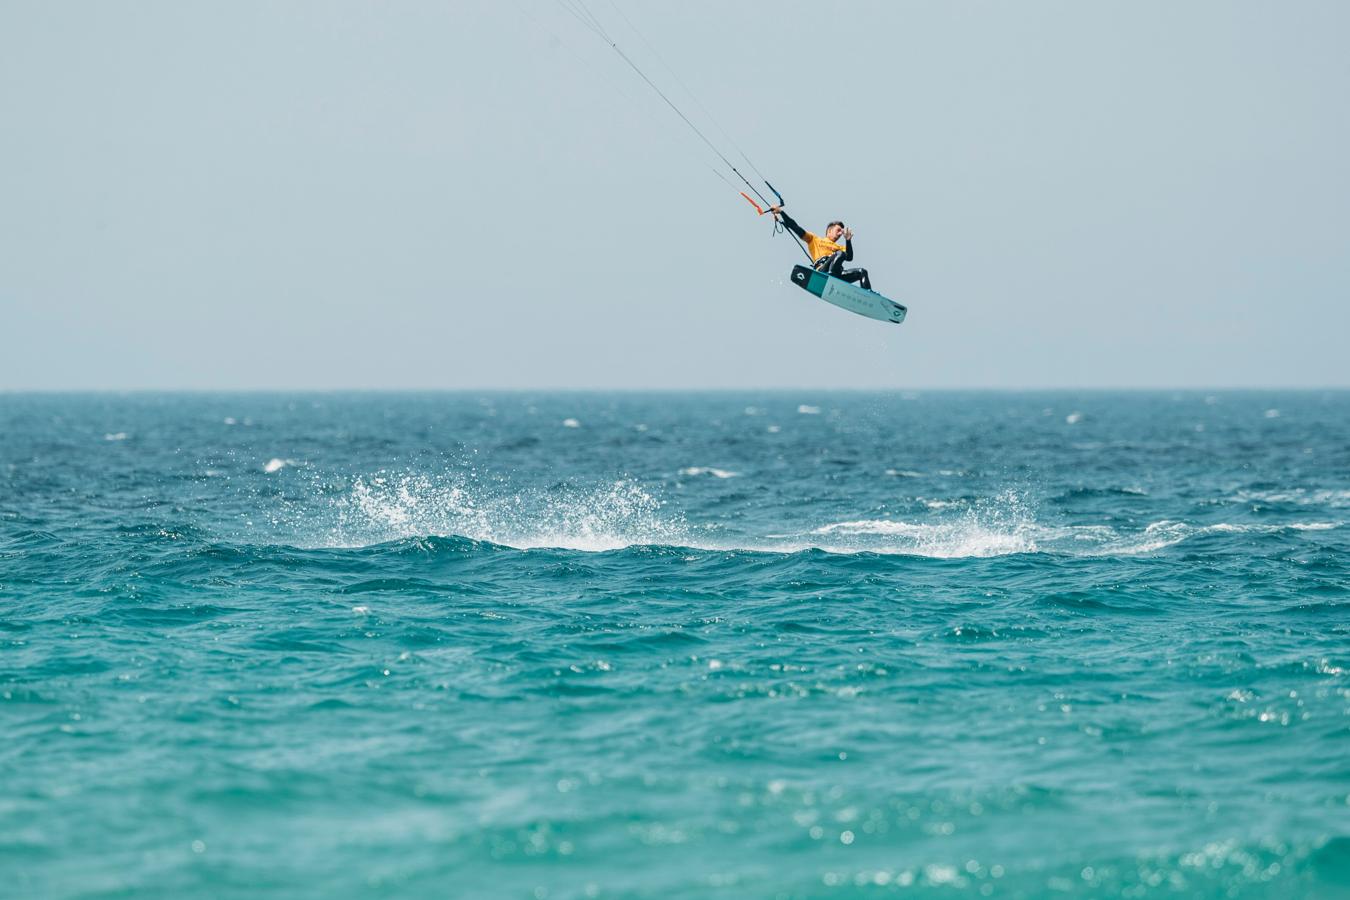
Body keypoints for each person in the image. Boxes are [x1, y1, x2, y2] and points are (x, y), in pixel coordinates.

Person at [770, 205, 871, 290]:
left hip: (838, 274)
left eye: (842, 232)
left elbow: (849, 258)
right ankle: (829, 277)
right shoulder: (814, 239)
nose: (841, 233)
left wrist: (848, 240)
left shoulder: (840, 247)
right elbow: (796, 227)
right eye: (839, 230)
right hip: (822, 270)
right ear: (829, 231)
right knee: (840, 253)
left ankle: (869, 295)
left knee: (862, 272)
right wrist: (781, 212)